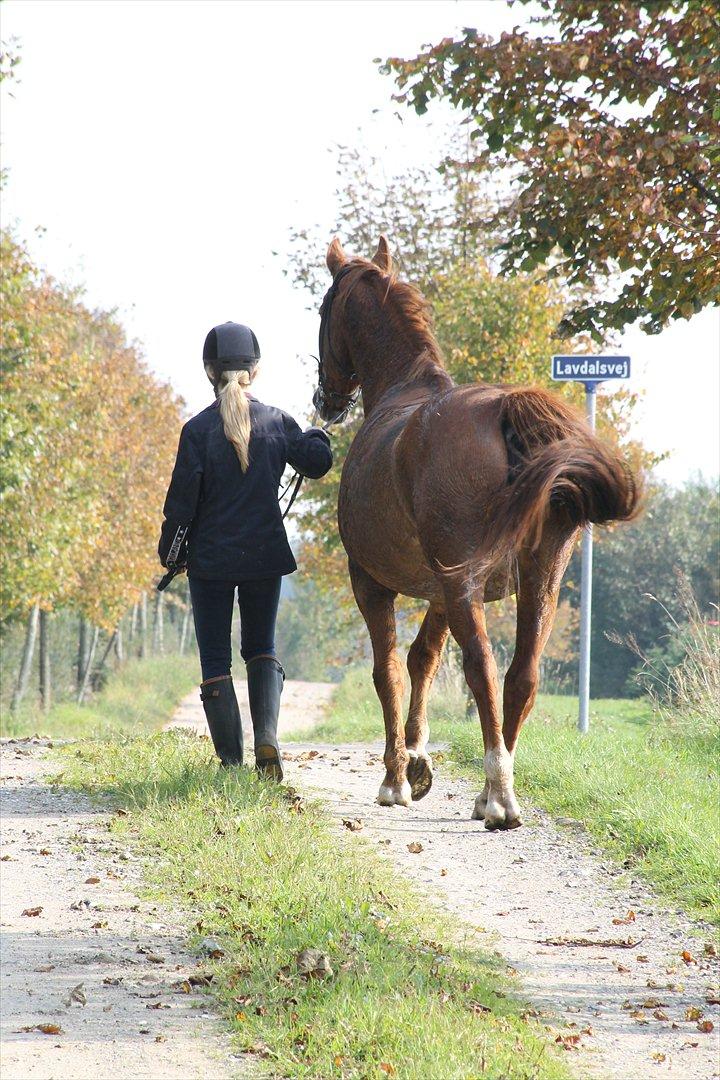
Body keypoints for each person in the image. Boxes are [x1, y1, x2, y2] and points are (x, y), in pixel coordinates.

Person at [158, 322, 333, 780]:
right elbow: (317, 463)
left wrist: (171, 553)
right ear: (254, 371)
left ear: (209, 371)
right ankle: (268, 740)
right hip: (264, 557)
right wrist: (318, 433)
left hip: (210, 563)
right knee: (261, 647)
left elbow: (180, 505)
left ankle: (232, 764)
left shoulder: (196, 431)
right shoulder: (277, 422)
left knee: (215, 659)